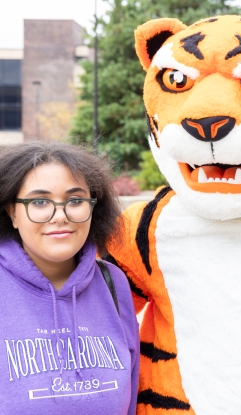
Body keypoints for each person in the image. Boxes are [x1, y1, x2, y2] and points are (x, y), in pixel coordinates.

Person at [0, 141, 140, 414]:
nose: (60, 216)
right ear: (12, 213)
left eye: (75, 200)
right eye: (40, 202)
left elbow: (132, 397)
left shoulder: (113, 283)